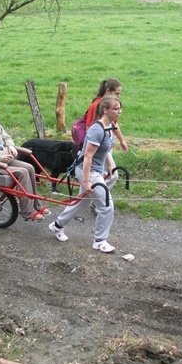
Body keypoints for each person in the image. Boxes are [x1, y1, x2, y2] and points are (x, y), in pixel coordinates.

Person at [49, 95, 121, 253]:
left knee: (83, 202)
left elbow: (106, 150)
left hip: (96, 170)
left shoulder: (109, 127)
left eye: (120, 108)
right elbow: (87, 156)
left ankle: (57, 225)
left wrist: (110, 166)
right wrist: (87, 181)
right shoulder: (97, 129)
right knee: (107, 205)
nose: (119, 111)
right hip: (87, 171)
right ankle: (100, 241)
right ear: (105, 110)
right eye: (116, 109)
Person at [0, 99, 49, 221]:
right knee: (22, 172)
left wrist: (11, 145)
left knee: (30, 168)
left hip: (4, 159)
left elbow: (6, 137)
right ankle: (27, 211)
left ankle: (36, 205)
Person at [81, 79, 128, 189]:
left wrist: (121, 140)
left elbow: (114, 124)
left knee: (109, 174)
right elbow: (90, 129)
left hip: (105, 145)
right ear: (108, 90)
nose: (119, 96)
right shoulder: (98, 106)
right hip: (98, 147)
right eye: (117, 93)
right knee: (111, 175)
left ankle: (94, 195)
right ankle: (97, 196)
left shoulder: (111, 105)